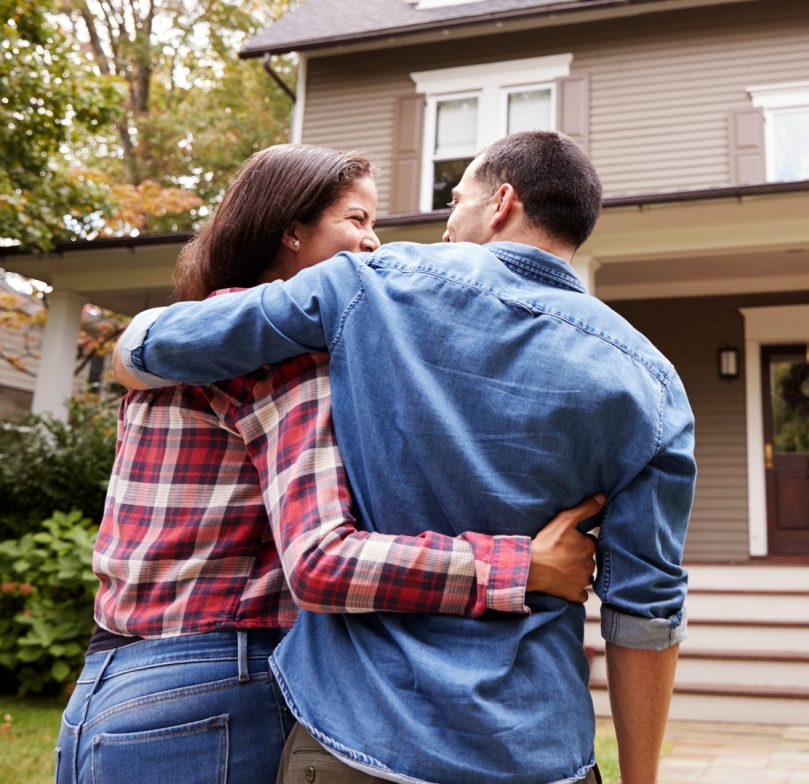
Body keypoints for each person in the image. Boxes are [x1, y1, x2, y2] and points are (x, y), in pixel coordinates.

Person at [116, 131, 695, 784]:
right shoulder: (653, 382)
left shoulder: (368, 286)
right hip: (536, 747)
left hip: (359, 737)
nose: (446, 227)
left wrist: (129, 348)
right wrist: (640, 777)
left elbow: (160, 344)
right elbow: (645, 612)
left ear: (500, 203)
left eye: (456, 201)